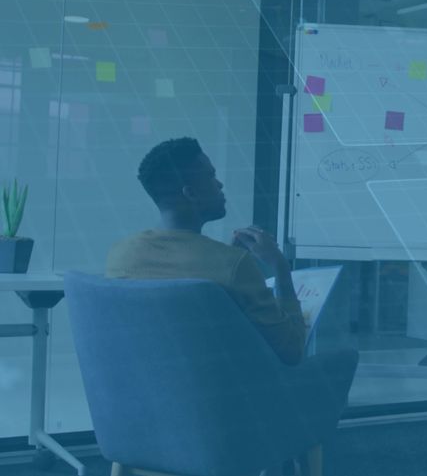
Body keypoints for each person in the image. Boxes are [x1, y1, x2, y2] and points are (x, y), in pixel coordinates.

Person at [106, 137, 306, 365]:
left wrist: (230, 259)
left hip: (145, 391)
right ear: (190, 193)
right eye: (211, 176)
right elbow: (292, 351)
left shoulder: (120, 254)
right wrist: (280, 267)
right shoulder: (234, 265)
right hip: (223, 394)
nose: (219, 184)